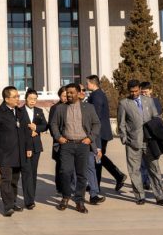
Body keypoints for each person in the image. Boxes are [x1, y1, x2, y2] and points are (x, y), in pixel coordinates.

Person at [117, 80, 163, 206]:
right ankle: (140, 196)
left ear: (140, 89)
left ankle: (161, 196)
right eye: (131, 91)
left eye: (136, 91)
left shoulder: (149, 101)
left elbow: (156, 118)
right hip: (133, 143)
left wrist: (157, 135)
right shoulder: (124, 103)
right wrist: (125, 139)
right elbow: (121, 124)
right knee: (134, 170)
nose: (134, 93)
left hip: (150, 141)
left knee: (154, 169)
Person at [50, 83, 101, 214]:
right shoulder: (60, 108)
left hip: (83, 145)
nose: (69, 95)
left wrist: (90, 138)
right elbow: (53, 124)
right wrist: (58, 137)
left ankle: (79, 201)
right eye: (67, 92)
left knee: (82, 174)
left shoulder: (88, 107)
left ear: (78, 93)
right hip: (66, 145)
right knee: (65, 172)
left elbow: (96, 124)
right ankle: (66, 197)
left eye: (72, 92)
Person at [0, 86, 33, 216]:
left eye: (18, 96)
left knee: (14, 180)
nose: (18, 99)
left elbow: (26, 131)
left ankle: (13, 202)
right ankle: (7, 206)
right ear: (7, 99)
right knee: (6, 179)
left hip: (19, 152)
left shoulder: (20, 112)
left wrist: (28, 147)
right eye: (15, 97)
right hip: (5, 152)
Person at [85, 75, 127, 193]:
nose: (86, 85)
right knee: (99, 157)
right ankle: (117, 176)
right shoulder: (97, 94)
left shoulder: (97, 96)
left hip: (99, 133)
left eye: (87, 83)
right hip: (101, 132)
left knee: (97, 157)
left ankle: (97, 185)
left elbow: (96, 115)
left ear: (92, 83)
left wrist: (91, 130)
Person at [18, 88, 46, 210]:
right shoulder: (19, 111)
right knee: (26, 172)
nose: (33, 101)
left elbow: (45, 126)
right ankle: (28, 201)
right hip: (23, 146)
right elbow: (17, 127)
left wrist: (37, 129)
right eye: (30, 99)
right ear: (26, 99)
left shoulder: (39, 111)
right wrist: (29, 132)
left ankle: (31, 198)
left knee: (33, 173)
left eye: (35, 99)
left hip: (36, 146)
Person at [48, 86, 69, 195]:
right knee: (60, 166)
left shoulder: (72, 106)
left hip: (71, 141)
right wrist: (58, 137)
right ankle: (59, 187)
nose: (65, 98)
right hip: (59, 142)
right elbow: (52, 126)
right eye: (63, 96)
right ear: (59, 96)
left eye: (67, 96)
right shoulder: (55, 108)